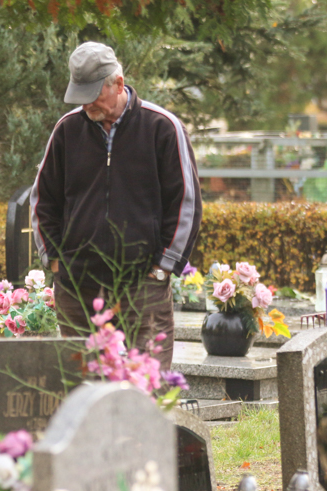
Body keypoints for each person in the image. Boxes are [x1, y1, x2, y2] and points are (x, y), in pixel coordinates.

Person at [31, 42, 201, 371]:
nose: (86, 103)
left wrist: (162, 267)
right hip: (78, 290)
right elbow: (43, 200)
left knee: (146, 390)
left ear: (119, 84)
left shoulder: (162, 128)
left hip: (143, 286)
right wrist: (54, 261)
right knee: (82, 392)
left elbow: (186, 203)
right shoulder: (67, 130)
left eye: (94, 93)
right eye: (80, 94)